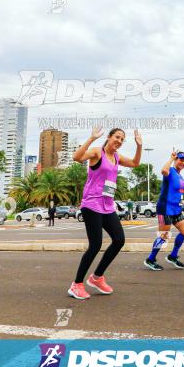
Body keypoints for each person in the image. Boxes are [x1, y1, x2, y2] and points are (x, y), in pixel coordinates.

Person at [68, 125, 142, 299]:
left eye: (123, 139)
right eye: (117, 137)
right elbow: (76, 157)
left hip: (108, 206)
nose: (120, 141)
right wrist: (92, 138)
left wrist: (139, 145)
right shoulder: (96, 152)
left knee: (119, 240)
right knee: (95, 245)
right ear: (109, 137)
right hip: (92, 204)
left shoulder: (116, 157)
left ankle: (97, 277)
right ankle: (76, 284)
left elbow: (135, 163)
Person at [145, 150, 184, 270]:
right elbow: (163, 171)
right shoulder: (170, 171)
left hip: (176, 208)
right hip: (165, 207)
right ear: (176, 160)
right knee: (164, 236)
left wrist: (181, 201)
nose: (183, 162)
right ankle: (150, 259)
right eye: (181, 160)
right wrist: (171, 158)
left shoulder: (180, 176)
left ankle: (173, 256)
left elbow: (177, 192)